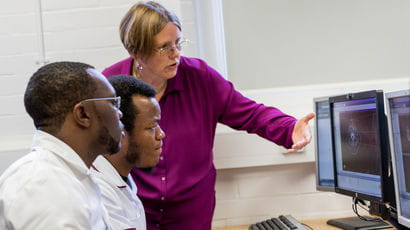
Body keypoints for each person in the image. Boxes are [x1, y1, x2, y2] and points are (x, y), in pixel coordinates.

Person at [102, 1, 315, 229]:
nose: (176, 54)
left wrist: (289, 128)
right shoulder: (111, 85)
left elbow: (250, 113)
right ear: (136, 51)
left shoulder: (200, 77)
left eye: (178, 43)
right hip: (136, 206)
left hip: (192, 210)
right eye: (165, 47)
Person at [0, 61, 124, 230]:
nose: (120, 113)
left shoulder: (68, 175)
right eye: (112, 103)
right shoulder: (45, 186)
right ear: (83, 114)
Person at [92, 75, 165, 230]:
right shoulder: (98, 192)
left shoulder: (121, 177)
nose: (161, 134)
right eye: (151, 127)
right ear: (118, 130)